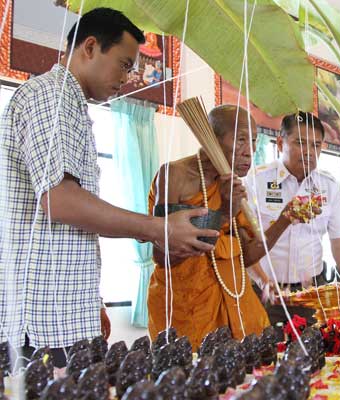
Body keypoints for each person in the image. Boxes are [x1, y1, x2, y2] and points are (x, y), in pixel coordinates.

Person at [0, 8, 215, 367]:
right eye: (124, 64)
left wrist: (88, 298)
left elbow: (63, 231)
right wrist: (157, 229)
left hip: (59, 313)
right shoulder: (49, 97)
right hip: (37, 326)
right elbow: (61, 201)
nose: (128, 78)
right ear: (89, 47)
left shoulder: (70, 105)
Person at [146, 105, 319, 347]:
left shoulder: (234, 187)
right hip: (187, 305)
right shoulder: (175, 175)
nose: (250, 152)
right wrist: (225, 211)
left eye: (254, 141)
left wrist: (285, 219)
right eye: (240, 140)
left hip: (235, 300)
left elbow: (248, 255)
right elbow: (163, 256)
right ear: (212, 139)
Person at [245, 111, 340, 327]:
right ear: (280, 143)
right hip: (263, 293)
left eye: (316, 145)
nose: (309, 152)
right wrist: (263, 281)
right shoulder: (256, 181)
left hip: (310, 296)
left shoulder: (329, 187)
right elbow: (243, 243)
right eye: (300, 143)